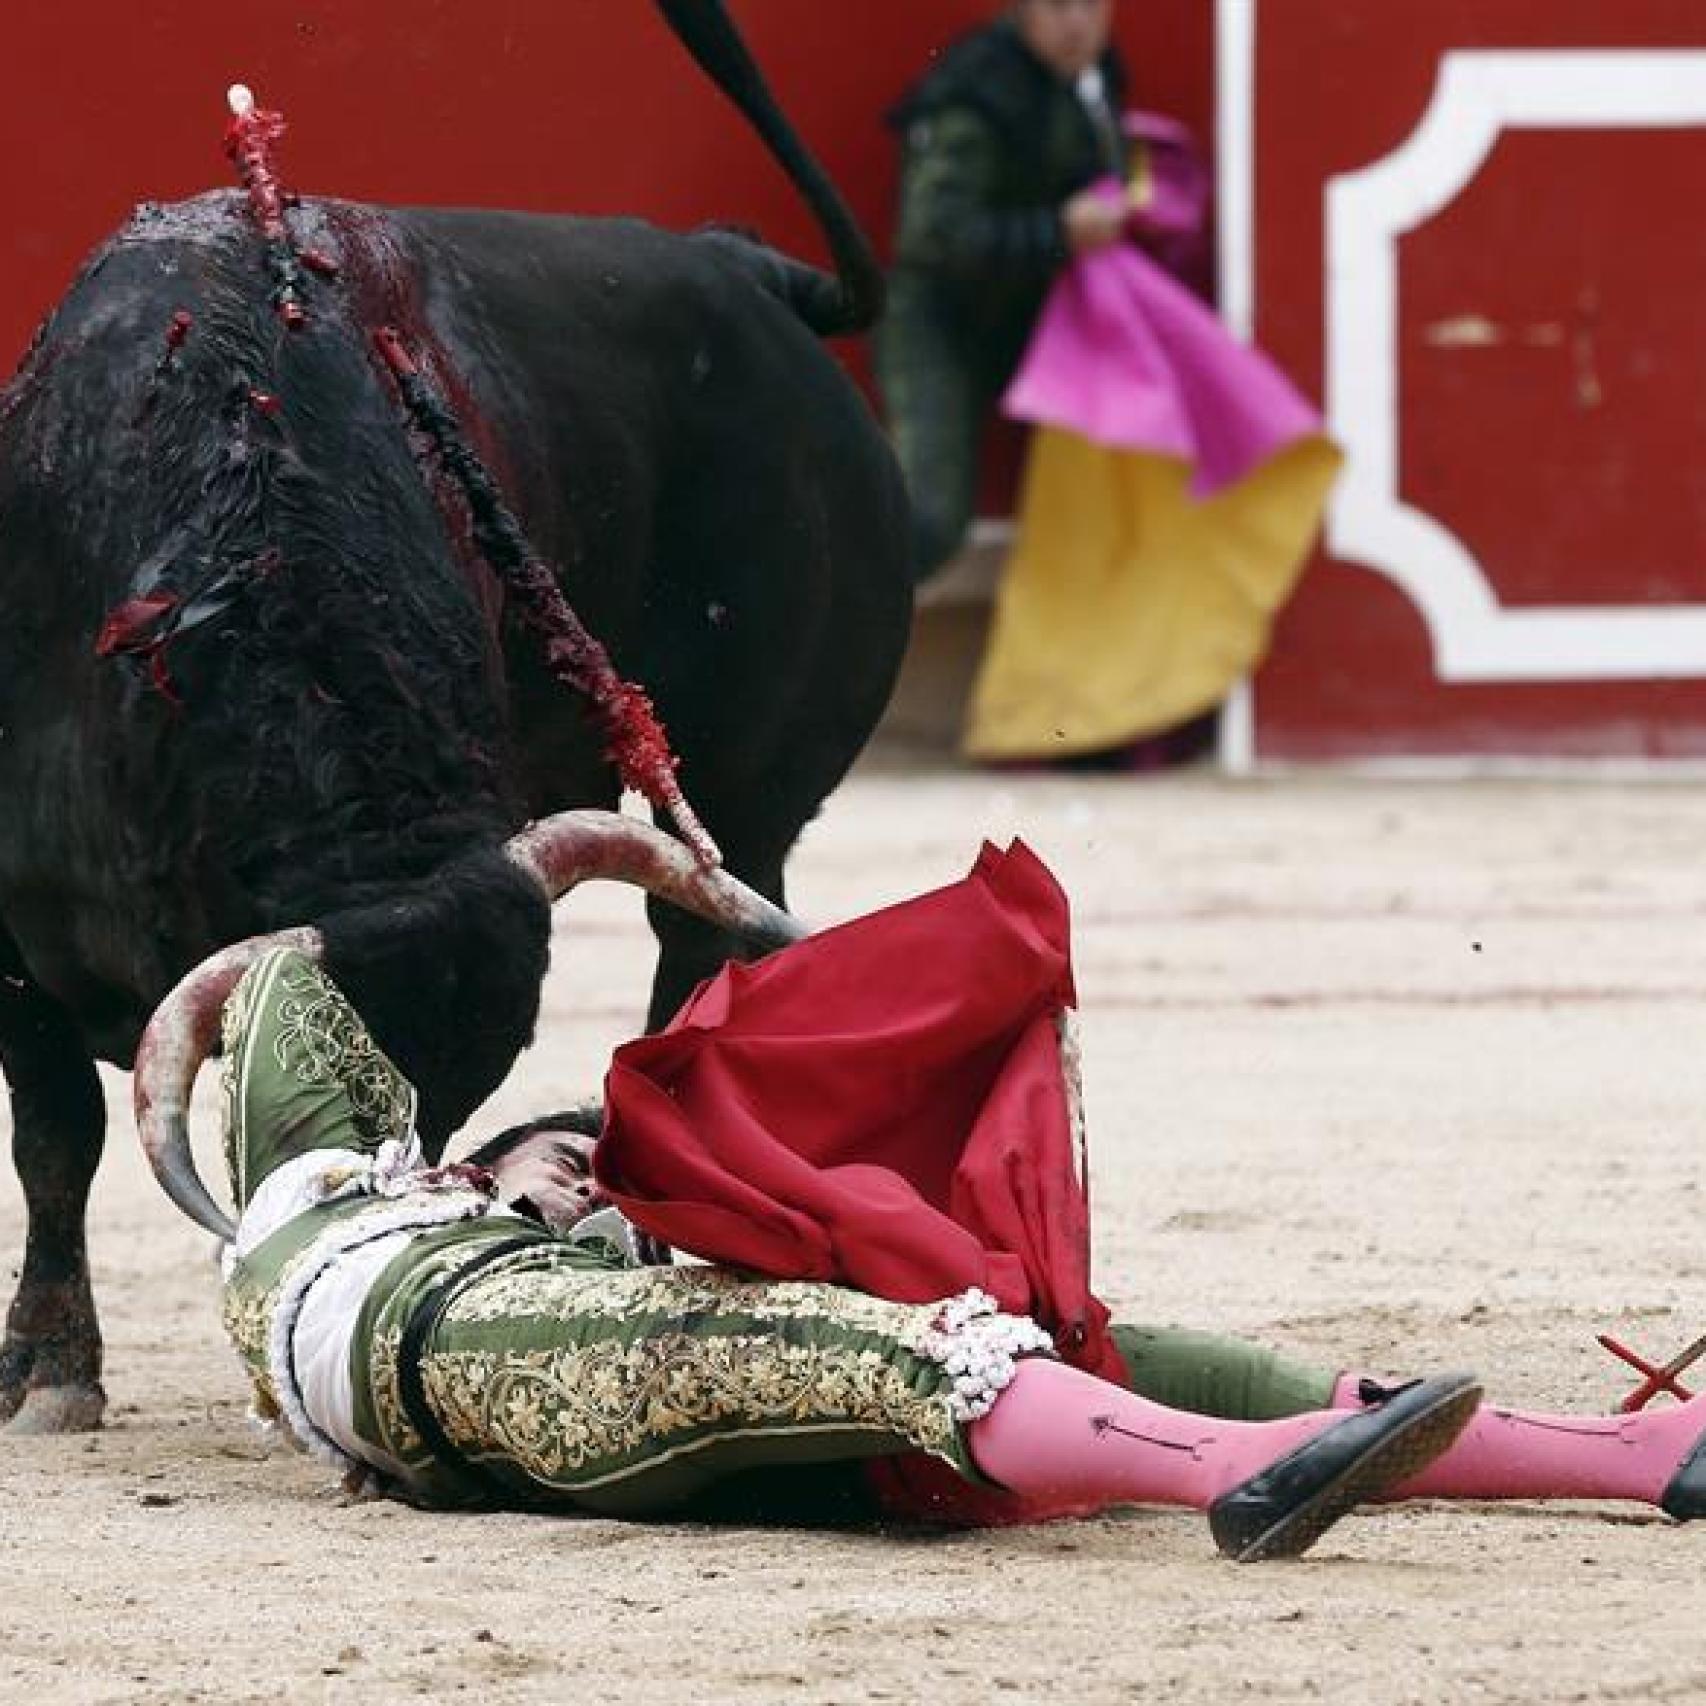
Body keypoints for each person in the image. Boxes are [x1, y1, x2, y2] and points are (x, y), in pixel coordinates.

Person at [142, 837, 1706, 1553]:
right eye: (572, 1167)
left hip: (580, 1413)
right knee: (861, 1352)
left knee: (1079, 1345)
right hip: (449, 1347)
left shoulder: (521, 1250)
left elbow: (279, 983)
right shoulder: (351, 1207)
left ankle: (1638, 1452)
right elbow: (288, 994)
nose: (598, 1195)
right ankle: (1240, 1473)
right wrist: (531, 869)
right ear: (472, 1168)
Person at [878, 0, 1132, 581]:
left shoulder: (1096, 80)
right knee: (932, 518)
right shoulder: (977, 91)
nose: (1077, 25)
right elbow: (933, 238)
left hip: (1030, 324)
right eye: (1058, 5)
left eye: (1091, 6)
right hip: (940, 324)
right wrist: (1057, 231)